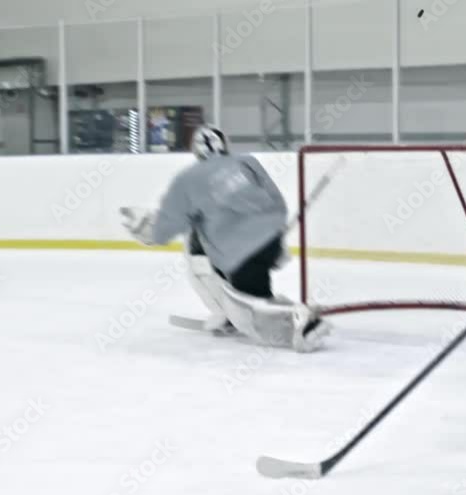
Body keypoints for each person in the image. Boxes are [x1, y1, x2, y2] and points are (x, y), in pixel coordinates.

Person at [121, 125, 330, 352]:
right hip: (266, 244)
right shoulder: (247, 163)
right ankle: (246, 311)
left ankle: (295, 318)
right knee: (254, 293)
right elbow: (275, 201)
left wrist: (144, 226)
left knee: (249, 311)